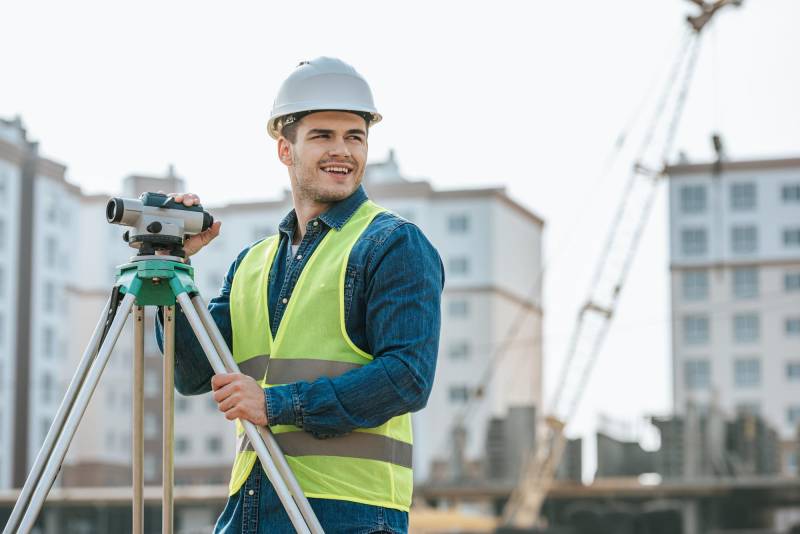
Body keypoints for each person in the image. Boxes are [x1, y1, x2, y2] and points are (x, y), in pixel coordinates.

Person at [157, 57, 444, 533]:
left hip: (349, 514)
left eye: (355, 136)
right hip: (252, 503)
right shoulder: (252, 263)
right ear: (284, 149)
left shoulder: (393, 243)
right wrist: (174, 268)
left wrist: (275, 405)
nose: (343, 151)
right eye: (323, 136)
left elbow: (407, 378)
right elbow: (190, 374)